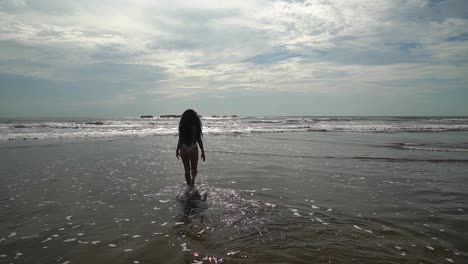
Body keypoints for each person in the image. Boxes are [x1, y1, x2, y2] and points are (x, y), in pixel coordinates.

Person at [176, 109, 206, 193]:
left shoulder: (182, 126)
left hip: (183, 148)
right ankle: (192, 182)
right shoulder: (196, 126)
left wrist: (177, 149)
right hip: (193, 147)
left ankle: (189, 187)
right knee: (194, 168)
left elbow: (180, 139)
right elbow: (199, 139)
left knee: (186, 170)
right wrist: (203, 151)